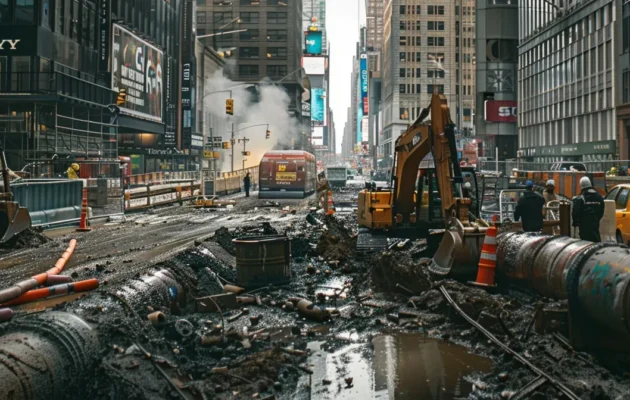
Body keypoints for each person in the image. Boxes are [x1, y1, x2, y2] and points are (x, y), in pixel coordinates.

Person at [572, 176, 605, 242]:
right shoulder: (599, 197)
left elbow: (575, 213)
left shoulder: (580, 198)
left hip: (584, 229)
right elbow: (601, 211)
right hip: (595, 225)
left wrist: (576, 222)